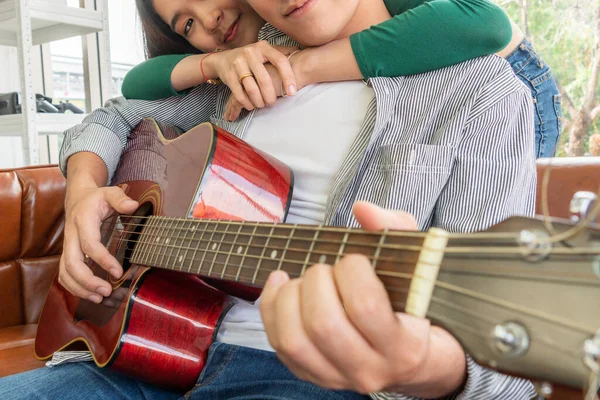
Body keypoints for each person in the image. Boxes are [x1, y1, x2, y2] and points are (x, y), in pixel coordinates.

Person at [0, 0, 538, 398]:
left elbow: (509, 370)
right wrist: (83, 196)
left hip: (304, 379)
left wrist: (422, 364)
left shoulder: (482, 94)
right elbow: (111, 115)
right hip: (145, 357)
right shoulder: (251, 70)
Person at [123, 0, 562, 158]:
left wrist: (306, 66)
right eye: (187, 26)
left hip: (514, 75)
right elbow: (137, 85)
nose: (209, 18)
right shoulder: (262, 35)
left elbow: (484, 24)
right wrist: (215, 64)